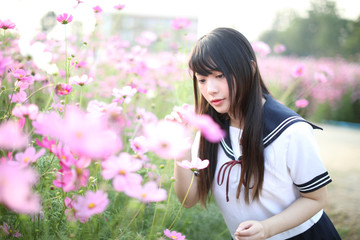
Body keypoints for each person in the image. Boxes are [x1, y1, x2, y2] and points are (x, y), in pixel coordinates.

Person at [172, 28, 341, 240]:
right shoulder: (211, 130)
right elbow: (188, 199)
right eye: (202, 79)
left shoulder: (290, 130)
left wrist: (267, 228)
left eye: (219, 75)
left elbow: (316, 199)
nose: (210, 89)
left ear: (250, 69)